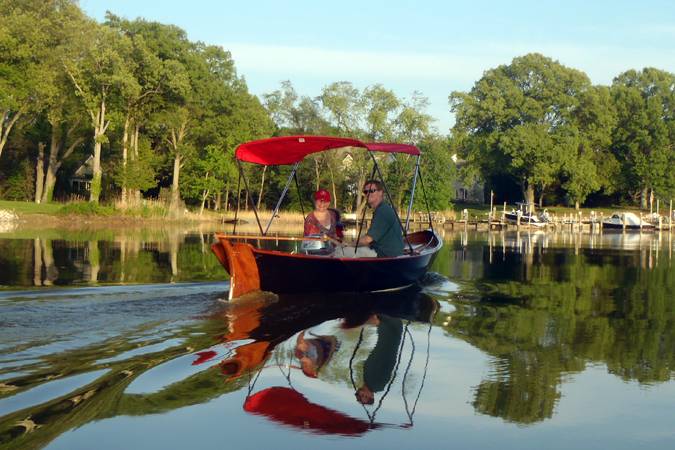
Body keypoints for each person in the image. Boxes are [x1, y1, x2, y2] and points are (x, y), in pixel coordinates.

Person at [352, 180, 404, 257]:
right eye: (366, 192)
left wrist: (349, 244)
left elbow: (367, 239)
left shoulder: (382, 210)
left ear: (381, 192)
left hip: (386, 254)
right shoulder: (382, 208)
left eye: (372, 191)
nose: (368, 194)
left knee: (340, 252)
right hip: (385, 251)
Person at [303, 189, 340, 255]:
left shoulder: (333, 214)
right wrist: (335, 242)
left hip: (335, 250)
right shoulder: (310, 219)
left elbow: (337, 233)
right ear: (315, 201)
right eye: (320, 201)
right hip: (316, 251)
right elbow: (316, 239)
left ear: (329, 202)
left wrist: (341, 241)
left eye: (325, 201)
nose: (322, 204)